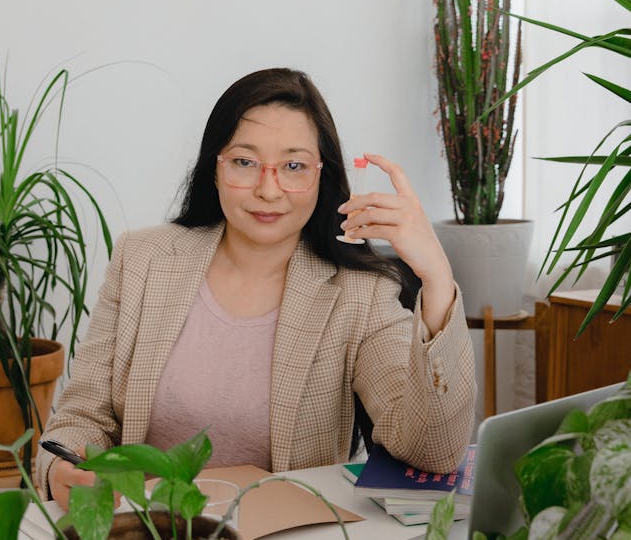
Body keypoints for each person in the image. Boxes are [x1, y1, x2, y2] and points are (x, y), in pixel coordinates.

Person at [36, 67, 476, 510]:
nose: (269, 190)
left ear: (322, 176)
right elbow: (82, 416)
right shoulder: (142, 260)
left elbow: (431, 453)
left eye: (294, 166)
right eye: (245, 162)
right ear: (214, 167)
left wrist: (437, 279)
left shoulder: (360, 293)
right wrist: (61, 465)